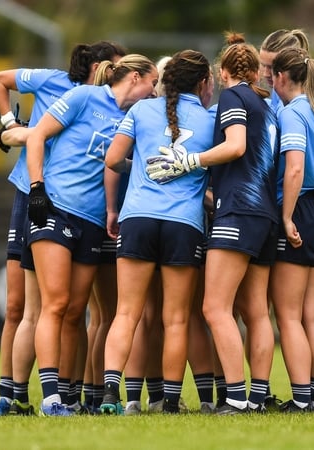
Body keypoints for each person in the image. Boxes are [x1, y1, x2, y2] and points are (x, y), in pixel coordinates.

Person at [0, 40, 126, 416]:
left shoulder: (110, 104)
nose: (120, 73)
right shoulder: (56, 83)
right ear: (98, 65)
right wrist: (9, 126)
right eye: (115, 66)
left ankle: (68, 394)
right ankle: (11, 395)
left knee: (70, 308)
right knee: (20, 305)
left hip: (80, 207)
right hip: (33, 194)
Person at [145, 32, 278, 415]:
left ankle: (235, 397)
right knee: (256, 313)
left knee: (214, 309)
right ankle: (258, 396)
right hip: (264, 213)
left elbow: (235, 146)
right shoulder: (266, 104)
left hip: (239, 212)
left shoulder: (235, 96)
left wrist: (190, 162)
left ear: (222, 73)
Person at [25, 54, 158, 416]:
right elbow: (37, 135)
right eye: (152, 82)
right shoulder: (85, 97)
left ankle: (69, 397)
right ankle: (51, 398)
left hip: (94, 223)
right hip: (55, 208)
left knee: (74, 312)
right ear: (135, 77)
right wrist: (37, 188)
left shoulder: (135, 117)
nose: (155, 90)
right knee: (55, 302)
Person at [99, 49, 215, 415]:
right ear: (203, 83)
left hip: (138, 218)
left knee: (126, 313)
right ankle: (168, 401)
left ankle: (109, 395)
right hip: (184, 223)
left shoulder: (141, 110)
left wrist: (144, 169)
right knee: (176, 318)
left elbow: (113, 160)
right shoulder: (213, 120)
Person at [268, 47, 314, 412]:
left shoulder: (294, 112)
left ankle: (303, 398)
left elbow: (294, 168)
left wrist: (287, 216)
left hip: (302, 208)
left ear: (281, 77)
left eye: (272, 76)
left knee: (290, 315)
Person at [259, 28, 310, 115]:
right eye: (263, 65)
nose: (266, 74)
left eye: (272, 67)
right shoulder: (278, 90)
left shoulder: (305, 103)